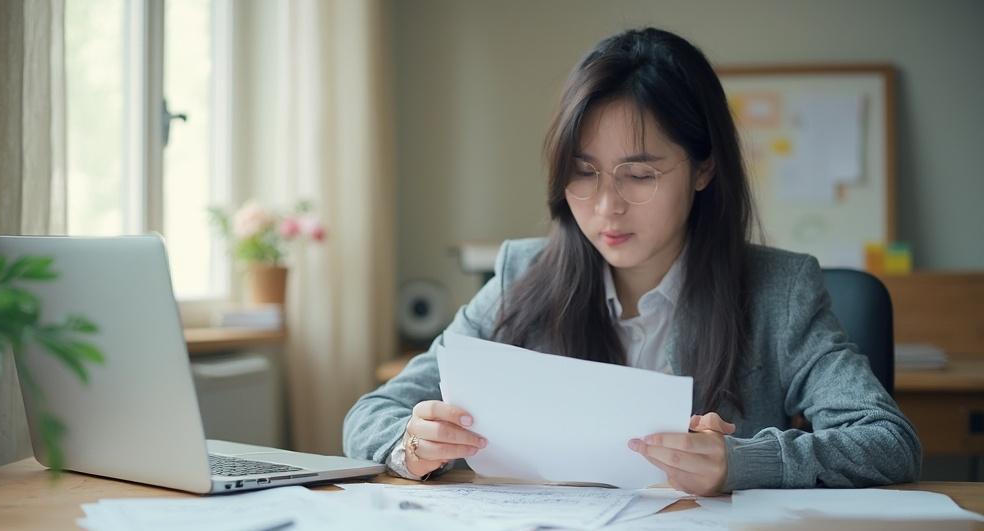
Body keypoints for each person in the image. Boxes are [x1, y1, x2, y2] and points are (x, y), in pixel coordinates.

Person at [342, 27, 921, 496]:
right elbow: (371, 415)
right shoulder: (522, 273)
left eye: (640, 174)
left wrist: (741, 462)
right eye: (583, 172)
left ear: (703, 169)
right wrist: (412, 444)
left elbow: (887, 440)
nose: (605, 205)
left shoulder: (780, 290)